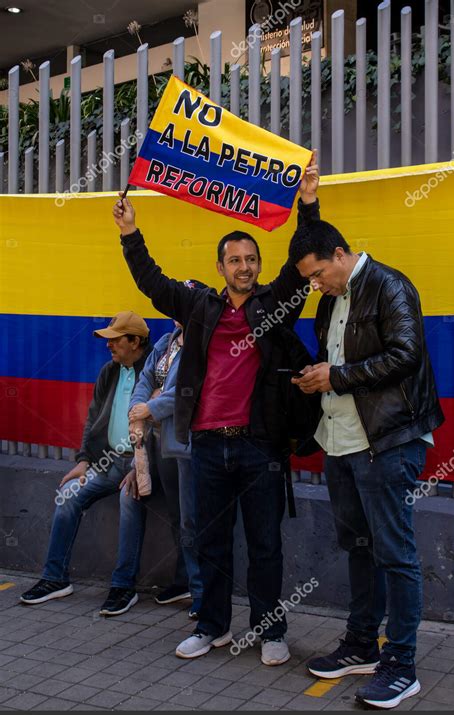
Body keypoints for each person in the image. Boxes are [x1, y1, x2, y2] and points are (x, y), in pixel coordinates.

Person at [112, 151, 320, 665]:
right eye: (234, 260)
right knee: (211, 543)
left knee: (266, 544)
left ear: (258, 266)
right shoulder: (198, 305)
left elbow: (303, 261)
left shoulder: (273, 305)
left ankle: (271, 632)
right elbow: (153, 283)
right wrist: (129, 233)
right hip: (205, 446)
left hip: (258, 447)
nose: (243, 267)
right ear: (221, 267)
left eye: (251, 259)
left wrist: (309, 203)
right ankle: (212, 627)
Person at [289, 219, 444, 708]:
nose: (315, 285)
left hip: (387, 439)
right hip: (339, 439)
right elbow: (335, 358)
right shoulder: (331, 297)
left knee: (394, 552)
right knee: (358, 546)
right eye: (309, 279)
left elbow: (406, 354)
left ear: (340, 254)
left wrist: (336, 376)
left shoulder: (390, 285)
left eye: (317, 274)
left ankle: (402, 663)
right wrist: (319, 376)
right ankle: (361, 645)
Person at [20, 312, 154, 617]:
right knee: (67, 495)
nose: (109, 345)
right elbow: (93, 419)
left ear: (135, 342)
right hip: (107, 465)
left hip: (140, 467)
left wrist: (139, 468)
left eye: (115, 339)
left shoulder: (154, 374)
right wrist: (83, 461)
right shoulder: (109, 371)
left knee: (128, 500)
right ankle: (55, 579)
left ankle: (123, 587)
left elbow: (160, 426)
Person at [126, 290, 206, 621]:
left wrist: (152, 406)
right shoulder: (167, 342)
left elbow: (189, 392)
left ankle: (203, 592)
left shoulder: (203, 344)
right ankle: (184, 580)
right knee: (177, 515)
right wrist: (137, 406)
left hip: (189, 445)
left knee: (193, 519)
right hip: (162, 441)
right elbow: (146, 379)